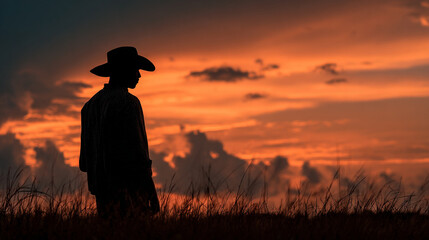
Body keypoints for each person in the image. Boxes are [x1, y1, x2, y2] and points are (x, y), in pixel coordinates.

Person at [79, 46, 160, 217]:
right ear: (124, 70)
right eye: (135, 70)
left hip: (101, 194)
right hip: (131, 193)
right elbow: (139, 155)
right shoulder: (128, 102)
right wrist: (150, 191)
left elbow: (84, 163)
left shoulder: (89, 106)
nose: (139, 75)